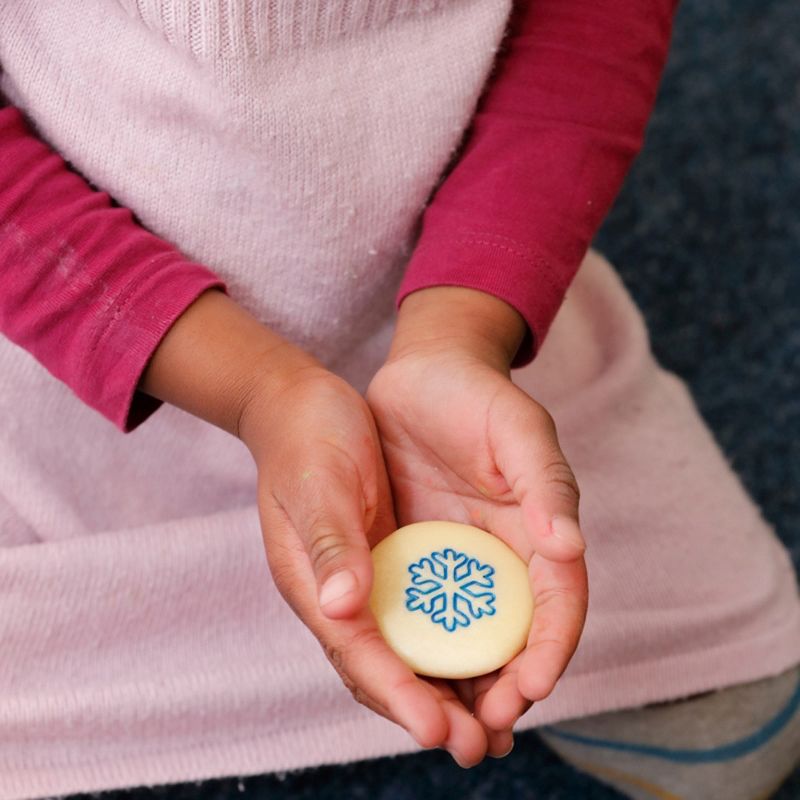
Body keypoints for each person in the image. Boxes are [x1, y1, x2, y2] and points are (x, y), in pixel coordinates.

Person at [0, 1, 798, 798]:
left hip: (448, 299)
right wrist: (257, 391)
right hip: (81, 347)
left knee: (735, 721)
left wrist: (461, 331)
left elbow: (592, 26)